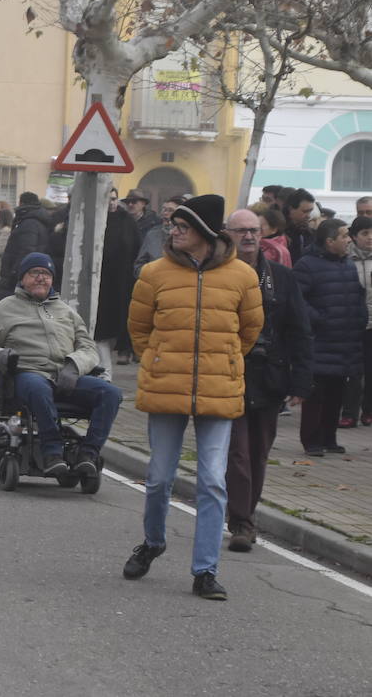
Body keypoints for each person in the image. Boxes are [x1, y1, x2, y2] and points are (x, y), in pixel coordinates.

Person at [123, 194, 263, 600]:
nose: (174, 231)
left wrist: (227, 362)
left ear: (203, 232)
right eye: (174, 226)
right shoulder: (154, 273)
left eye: (182, 226)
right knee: (159, 478)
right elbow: (139, 329)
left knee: (212, 482)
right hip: (166, 386)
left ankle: (205, 570)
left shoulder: (242, 276)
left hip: (218, 390)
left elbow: (250, 331)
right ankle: (152, 542)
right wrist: (158, 358)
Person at [0, 252, 123, 476]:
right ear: (23, 278)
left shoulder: (66, 311)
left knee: (110, 393)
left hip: (66, 376)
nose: (41, 278)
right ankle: (52, 452)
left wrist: (74, 366)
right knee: (37, 386)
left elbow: (88, 348)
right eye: (35, 273)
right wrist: (0, 355)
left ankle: (88, 453)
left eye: (46, 274)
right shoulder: (5, 309)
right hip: (27, 375)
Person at [222, 209, 312, 552]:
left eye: (254, 231)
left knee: (259, 454)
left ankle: (246, 515)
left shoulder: (282, 278)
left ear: (263, 235)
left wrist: (301, 383)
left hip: (270, 377)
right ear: (226, 234)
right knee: (238, 454)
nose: (248, 237)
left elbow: (300, 331)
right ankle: (240, 523)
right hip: (229, 375)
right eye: (241, 231)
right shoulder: (218, 274)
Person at [292, 218, 366, 457]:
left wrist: (359, 317)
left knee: (336, 393)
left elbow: (355, 297)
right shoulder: (307, 265)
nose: (348, 240)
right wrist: (319, 317)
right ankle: (312, 440)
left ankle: (329, 438)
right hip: (319, 340)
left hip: (344, 339)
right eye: (344, 236)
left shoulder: (347, 264)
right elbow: (296, 300)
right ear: (329, 241)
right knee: (315, 394)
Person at [95, 187, 141, 380]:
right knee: (100, 331)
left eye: (114, 199)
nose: (112, 203)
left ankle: (110, 364)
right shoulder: (95, 220)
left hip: (122, 282)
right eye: (108, 199)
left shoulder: (127, 222)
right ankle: (104, 372)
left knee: (118, 326)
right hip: (100, 282)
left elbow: (136, 248)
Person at [0, 191, 53, 300]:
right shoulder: (35, 221)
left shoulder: (28, 223)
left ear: (21, 203)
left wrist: (14, 273)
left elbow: (26, 250)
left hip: (18, 277)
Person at [347, 216, 372, 428]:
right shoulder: (345, 259)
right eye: (365, 233)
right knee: (353, 371)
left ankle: (369, 411)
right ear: (354, 237)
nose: (370, 237)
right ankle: (349, 412)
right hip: (352, 323)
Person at [134, 195, 183, 277]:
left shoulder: (187, 237)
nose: (165, 213)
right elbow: (139, 265)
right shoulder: (152, 234)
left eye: (170, 210)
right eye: (164, 209)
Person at [283, 188, 317, 265]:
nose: (308, 216)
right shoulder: (279, 233)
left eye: (310, 211)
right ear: (291, 209)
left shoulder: (311, 233)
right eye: (305, 211)